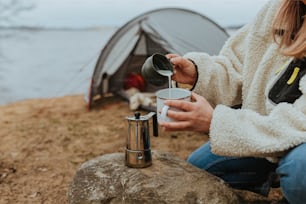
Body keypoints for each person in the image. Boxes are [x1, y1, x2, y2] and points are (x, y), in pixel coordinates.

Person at [159, 0, 306, 203]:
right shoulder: (279, 8)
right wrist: (198, 73)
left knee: (301, 171)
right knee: (201, 169)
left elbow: (301, 122)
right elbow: (238, 65)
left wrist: (215, 122)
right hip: (264, 130)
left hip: (299, 137)